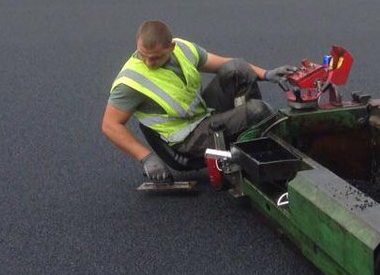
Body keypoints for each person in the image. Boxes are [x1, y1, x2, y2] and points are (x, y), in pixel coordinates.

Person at [102, 19, 296, 184]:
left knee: (238, 68)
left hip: (202, 115)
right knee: (258, 112)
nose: (148, 63)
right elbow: (110, 125)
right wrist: (145, 157)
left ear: (171, 47)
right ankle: (271, 158)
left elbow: (225, 64)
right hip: (185, 143)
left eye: (155, 57)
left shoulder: (182, 49)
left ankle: (248, 146)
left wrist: (267, 74)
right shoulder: (131, 81)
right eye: (143, 55)